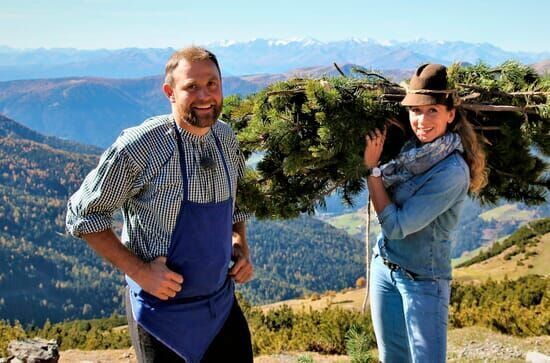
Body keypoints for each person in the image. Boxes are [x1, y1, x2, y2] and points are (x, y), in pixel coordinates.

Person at [66, 46, 254, 363]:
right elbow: (83, 215)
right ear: (169, 92)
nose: (205, 95)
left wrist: (240, 243)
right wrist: (140, 271)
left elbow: (239, 203)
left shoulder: (226, 139)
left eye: (212, 84)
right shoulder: (142, 146)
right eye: (190, 86)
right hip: (160, 317)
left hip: (220, 308)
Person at [363, 63, 487, 363]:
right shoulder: (411, 151)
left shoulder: (452, 172)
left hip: (423, 282)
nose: (422, 120)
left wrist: (371, 171)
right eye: (415, 111)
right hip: (384, 268)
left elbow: (395, 227)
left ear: (450, 114)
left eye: (432, 110)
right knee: (391, 359)